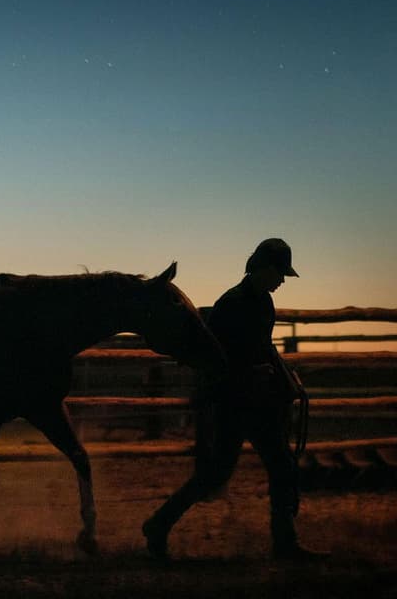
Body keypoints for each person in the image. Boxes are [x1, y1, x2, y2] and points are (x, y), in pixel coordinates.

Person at [142, 238, 322, 560]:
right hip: (233, 402)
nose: (282, 281)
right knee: (218, 474)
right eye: (279, 273)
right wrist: (250, 371)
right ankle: (158, 524)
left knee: (280, 465)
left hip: (257, 402)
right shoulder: (231, 304)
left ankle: (284, 542)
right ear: (264, 268)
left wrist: (283, 372)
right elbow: (216, 356)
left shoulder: (263, 302)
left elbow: (263, 346)